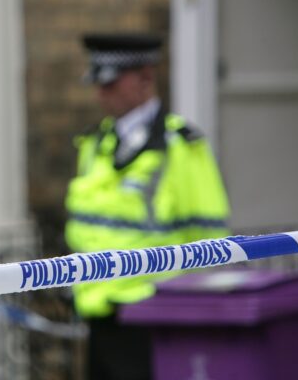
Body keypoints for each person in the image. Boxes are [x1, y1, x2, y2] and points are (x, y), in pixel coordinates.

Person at [64, 33, 230, 380]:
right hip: (98, 312)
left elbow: (211, 238)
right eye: (97, 83)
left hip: (157, 317)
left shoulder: (182, 147)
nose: (100, 93)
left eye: (110, 83)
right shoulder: (94, 144)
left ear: (145, 78)